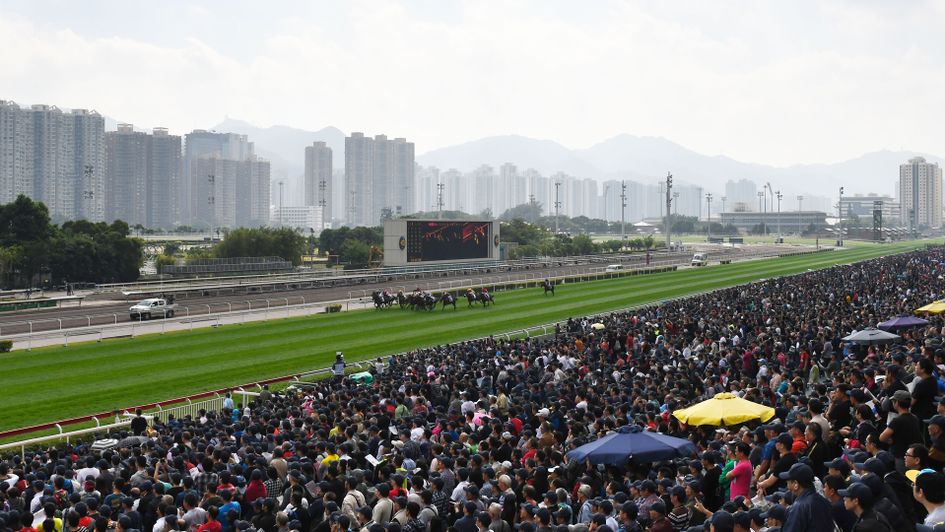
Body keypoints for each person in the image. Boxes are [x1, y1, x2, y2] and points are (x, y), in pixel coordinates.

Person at [778, 463, 834, 532]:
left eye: (788, 482)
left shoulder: (798, 507)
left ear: (796, 484)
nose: (787, 486)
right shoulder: (825, 502)